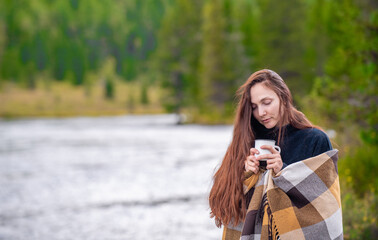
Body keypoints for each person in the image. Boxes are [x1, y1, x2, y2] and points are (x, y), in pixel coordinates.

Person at [208, 69, 332, 233]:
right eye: (254, 107)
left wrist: (284, 171)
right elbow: (219, 203)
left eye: (266, 103)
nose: (261, 113)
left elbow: (327, 203)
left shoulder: (315, 140)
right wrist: (244, 175)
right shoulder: (248, 138)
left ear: (284, 97)